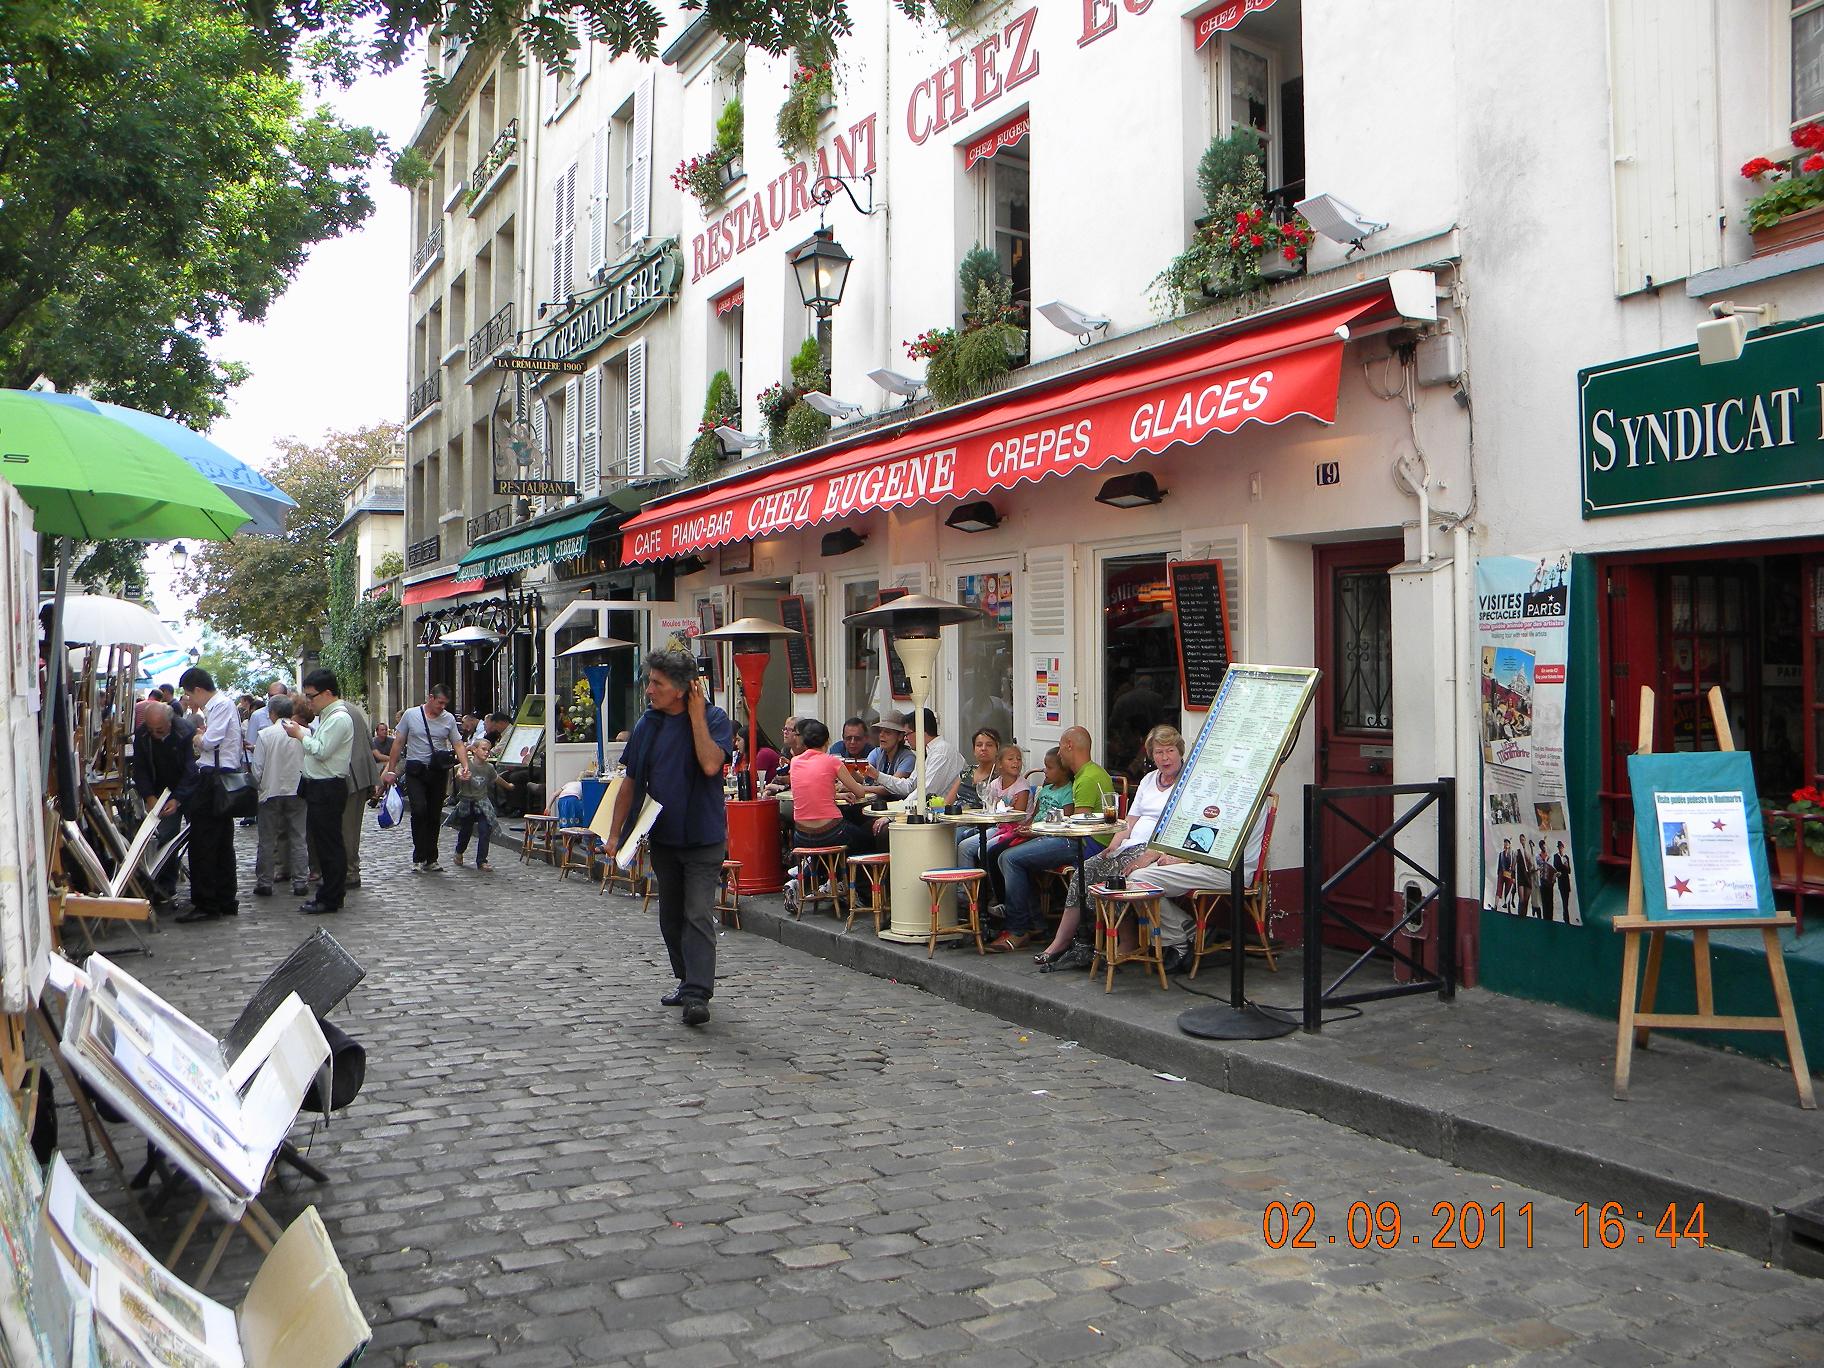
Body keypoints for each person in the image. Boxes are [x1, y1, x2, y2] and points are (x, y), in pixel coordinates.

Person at [607, 651, 733, 1028]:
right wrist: (615, 833)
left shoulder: (714, 719)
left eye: (657, 683)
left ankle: (697, 994)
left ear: (682, 689)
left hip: (704, 837)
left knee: (697, 914)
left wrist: (695, 716)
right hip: (663, 836)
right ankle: (684, 978)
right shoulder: (649, 724)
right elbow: (631, 782)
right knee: (670, 918)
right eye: (650, 681)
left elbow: (711, 764)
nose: (649, 690)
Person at [1038, 725, 1186, 971]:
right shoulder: (1149, 780)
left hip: (1155, 848)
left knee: (1116, 877)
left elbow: (1180, 828)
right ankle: (1062, 942)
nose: (1164, 758)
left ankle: (1125, 942)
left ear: (1180, 752)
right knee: (1084, 871)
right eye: (1159, 752)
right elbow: (1131, 820)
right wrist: (1114, 844)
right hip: (1130, 845)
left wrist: (1152, 852)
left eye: (1170, 751)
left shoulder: (1186, 783)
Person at [990, 726, 1115, 952]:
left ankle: (1019, 929)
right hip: (1082, 839)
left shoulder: (1086, 779)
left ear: (1069, 746)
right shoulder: (1089, 773)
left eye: (1061, 748)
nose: (1058, 755)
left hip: (1086, 844)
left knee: (1009, 859)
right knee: (1009, 855)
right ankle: (1035, 924)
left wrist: (1040, 831)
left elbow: (1078, 826)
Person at [1125, 796, 1273, 973]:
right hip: (1207, 863)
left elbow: (1224, 846)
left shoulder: (1246, 795)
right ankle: (1189, 927)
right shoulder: (1223, 791)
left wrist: (1181, 858)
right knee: (1135, 878)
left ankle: (1176, 939)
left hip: (1229, 870)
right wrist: (1170, 853)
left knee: (1138, 880)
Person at [282, 669, 355, 915]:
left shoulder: (339, 718)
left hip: (328, 787)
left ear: (326, 693)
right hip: (319, 785)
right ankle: (328, 893)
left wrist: (299, 734)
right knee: (324, 844)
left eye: (311, 696)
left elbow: (322, 751)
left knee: (329, 845)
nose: (309, 702)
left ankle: (331, 896)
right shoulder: (328, 716)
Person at [381, 684, 471, 872]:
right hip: (416, 770)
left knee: (433, 814)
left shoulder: (448, 720)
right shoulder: (411, 715)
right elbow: (398, 742)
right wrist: (391, 770)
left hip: (437, 771)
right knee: (419, 810)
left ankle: (431, 857)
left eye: (445, 704)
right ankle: (419, 854)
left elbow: (458, 744)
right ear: (430, 698)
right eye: (440, 703)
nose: (442, 707)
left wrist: (465, 766)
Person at [178, 666, 243, 923]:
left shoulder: (220, 706)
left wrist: (196, 737)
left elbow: (210, 742)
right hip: (218, 775)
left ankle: (208, 901)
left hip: (214, 777)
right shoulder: (221, 706)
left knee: (204, 841)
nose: (189, 701)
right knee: (220, 841)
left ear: (198, 689)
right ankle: (224, 898)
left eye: (189, 695)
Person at [783, 719, 874, 900]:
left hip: (801, 835)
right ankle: (860, 893)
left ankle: (833, 882)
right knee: (868, 839)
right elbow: (860, 792)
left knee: (843, 839)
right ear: (827, 741)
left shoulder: (795, 762)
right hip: (830, 833)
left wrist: (836, 795)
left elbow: (811, 792)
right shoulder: (832, 761)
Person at [130, 697, 197, 908]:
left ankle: (201, 888)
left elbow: (191, 770)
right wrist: (149, 795)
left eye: (159, 729)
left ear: (169, 722)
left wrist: (178, 798)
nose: (154, 733)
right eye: (151, 728)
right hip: (161, 791)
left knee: (197, 836)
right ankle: (165, 888)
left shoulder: (184, 731)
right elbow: (139, 768)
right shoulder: (143, 735)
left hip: (187, 790)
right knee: (166, 839)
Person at [250, 696, 309, 899]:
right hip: (297, 790)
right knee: (299, 837)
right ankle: (301, 881)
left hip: (271, 791)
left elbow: (257, 769)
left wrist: (257, 787)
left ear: (272, 713)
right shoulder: (305, 732)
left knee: (267, 839)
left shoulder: (265, 735)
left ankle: (264, 882)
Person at [869, 710, 964, 805]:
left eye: (907, 734)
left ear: (920, 731)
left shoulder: (941, 753)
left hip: (948, 814)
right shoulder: (925, 752)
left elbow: (925, 791)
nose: (905, 738)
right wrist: (877, 775)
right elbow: (910, 786)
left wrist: (896, 812)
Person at [446, 737, 513, 869]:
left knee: (484, 830)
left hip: (482, 803)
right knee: (466, 831)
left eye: (488, 750)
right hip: (467, 803)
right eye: (483, 749)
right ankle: (459, 852)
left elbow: (496, 779)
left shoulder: (489, 768)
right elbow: (460, 772)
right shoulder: (467, 764)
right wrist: (461, 775)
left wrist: (508, 786)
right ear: (475, 750)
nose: (486, 752)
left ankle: (482, 860)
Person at [339, 691, 381, 889]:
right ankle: (350, 870)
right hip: (357, 777)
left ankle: (349, 871)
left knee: (347, 828)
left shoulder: (339, 714)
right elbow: (368, 743)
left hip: (348, 778)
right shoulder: (352, 711)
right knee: (351, 828)